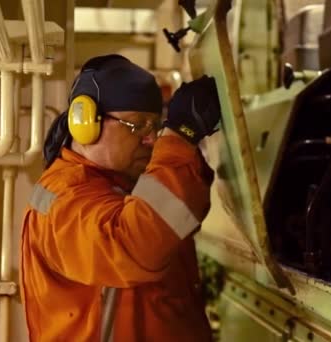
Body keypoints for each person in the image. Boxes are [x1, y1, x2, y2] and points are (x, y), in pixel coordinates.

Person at [19, 54, 222, 342]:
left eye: (154, 127)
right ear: (85, 122)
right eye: (136, 125)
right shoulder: (65, 198)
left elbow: (179, 215)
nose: (150, 139)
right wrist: (178, 138)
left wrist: (183, 148)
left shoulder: (123, 181)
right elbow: (134, 245)